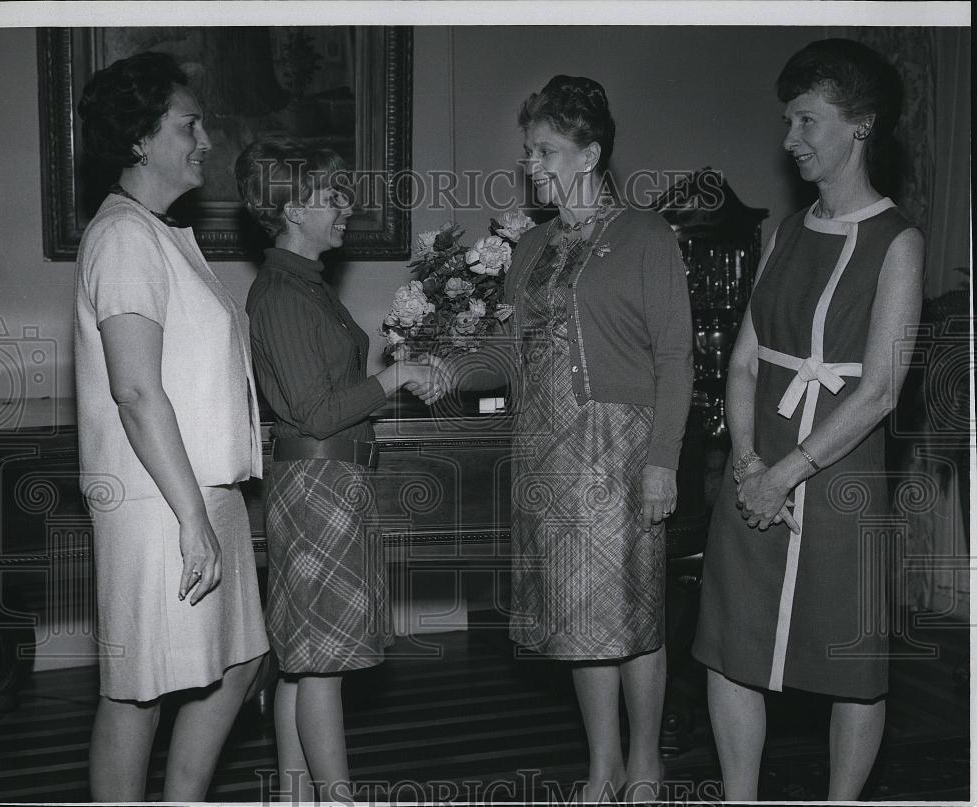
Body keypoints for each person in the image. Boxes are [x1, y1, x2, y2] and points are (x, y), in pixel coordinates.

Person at [692, 39, 924, 801]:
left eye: (805, 120)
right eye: (788, 121)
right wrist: (751, 464)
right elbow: (744, 361)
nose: (790, 139)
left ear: (859, 125)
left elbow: (883, 388)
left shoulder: (899, 242)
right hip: (756, 461)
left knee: (851, 667)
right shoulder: (788, 232)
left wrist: (792, 470)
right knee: (731, 647)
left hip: (842, 472)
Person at [454, 75, 693, 802]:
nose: (533, 163)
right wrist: (444, 368)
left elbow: (675, 357)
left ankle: (646, 762)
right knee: (577, 617)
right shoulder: (527, 249)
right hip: (546, 450)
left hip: (619, 451)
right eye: (529, 150)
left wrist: (663, 463)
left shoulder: (646, 235)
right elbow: (508, 355)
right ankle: (604, 763)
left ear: (589, 154)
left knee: (633, 612)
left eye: (547, 150)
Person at [74, 52, 269, 801]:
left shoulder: (157, 233)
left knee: (244, 654)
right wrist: (191, 516)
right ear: (139, 139)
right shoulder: (124, 237)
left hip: (199, 490)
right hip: (159, 501)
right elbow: (133, 388)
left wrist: (206, 506)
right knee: (139, 688)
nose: (206, 140)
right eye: (190, 124)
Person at [235, 134, 446, 803]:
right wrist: (398, 375)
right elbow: (317, 411)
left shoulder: (303, 286)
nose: (346, 205)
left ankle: (297, 796)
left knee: (304, 660)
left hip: (331, 483)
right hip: (318, 482)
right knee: (321, 662)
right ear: (294, 207)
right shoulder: (282, 295)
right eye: (333, 194)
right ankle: (337, 798)